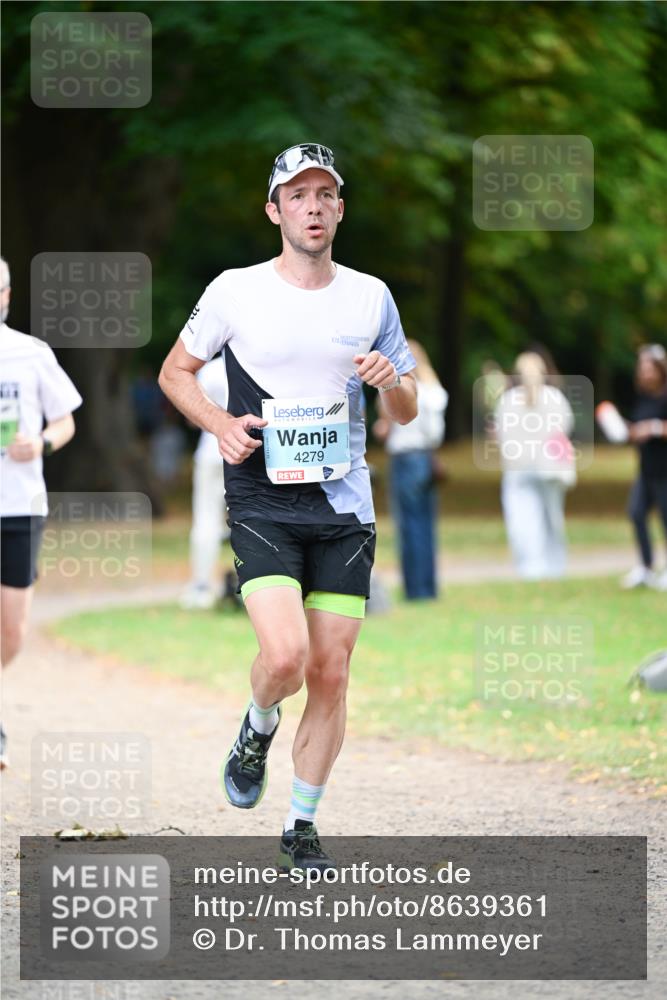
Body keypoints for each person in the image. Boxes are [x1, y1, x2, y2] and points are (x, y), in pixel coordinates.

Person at [159, 143, 417, 869]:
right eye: (296, 195)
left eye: (323, 194)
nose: (311, 206)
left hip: (343, 505)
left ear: (339, 208)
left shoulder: (371, 297)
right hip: (262, 498)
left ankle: (300, 824)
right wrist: (219, 424)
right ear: (274, 210)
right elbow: (175, 372)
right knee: (284, 656)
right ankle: (257, 722)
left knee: (331, 672)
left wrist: (388, 377)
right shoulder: (235, 290)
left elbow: (406, 407)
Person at [0, 256, 83, 769]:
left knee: (11, 631)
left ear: (6, 296)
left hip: (19, 504)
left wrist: (44, 443)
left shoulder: (30, 354)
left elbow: (66, 421)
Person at [373, 340, 447, 599]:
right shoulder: (434, 390)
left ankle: (414, 589)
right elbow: (435, 431)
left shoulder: (399, 389)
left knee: (408, 526)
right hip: (426, 457)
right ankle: (428, 587)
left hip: (405, 459)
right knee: (426, 525)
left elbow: (387, 428)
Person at [494, 351, 575, 580]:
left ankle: (531, 568)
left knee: (522, 520)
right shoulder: (555, 398)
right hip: (548, 469)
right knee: (551, 519)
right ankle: (554, 567)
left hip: (519, 470)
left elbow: (503, 437)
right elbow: (564, 431)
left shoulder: (508, 401)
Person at [179, 356, 232, 610]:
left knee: (206, 519)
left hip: (211, 449)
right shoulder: (256, 363)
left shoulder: (210, 370)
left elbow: (192, 415)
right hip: (246, 451)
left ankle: (201, 585)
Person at [620, 344, 667, 590]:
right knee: (636, 513)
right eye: (643, 368)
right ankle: (646, 567)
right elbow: (639, 427)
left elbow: (656, 428)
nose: (646, 373)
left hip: (665, 470)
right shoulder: (644, 397)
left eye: (651, 368)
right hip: (646, 469)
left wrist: (655, 428)